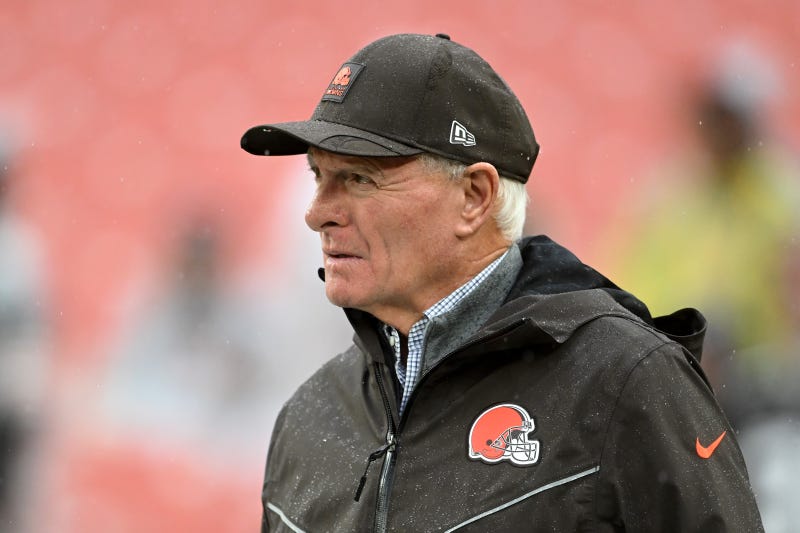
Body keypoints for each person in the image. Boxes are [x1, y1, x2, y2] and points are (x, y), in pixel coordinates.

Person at [241, 33, 763, 532]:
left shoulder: (629, 382)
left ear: (474, 196)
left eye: (358, 178)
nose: (316, 214)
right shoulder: (308, 417)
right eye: (318, 176)